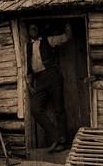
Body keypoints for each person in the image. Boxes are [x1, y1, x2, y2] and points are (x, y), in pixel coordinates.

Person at [26, 21, 72, 153]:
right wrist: (29, 84)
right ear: (28, 32)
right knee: (35, 108)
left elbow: (66, 37)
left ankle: (63, 143)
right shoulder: (27, 46)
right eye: (30, 28)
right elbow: (27, 67)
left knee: (59, 109)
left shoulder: (48, 40)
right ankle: (57, 136)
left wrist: (69, 24)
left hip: (52, 75)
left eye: (35, 27)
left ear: (38, 30)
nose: (33, 29)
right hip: (39, 80)